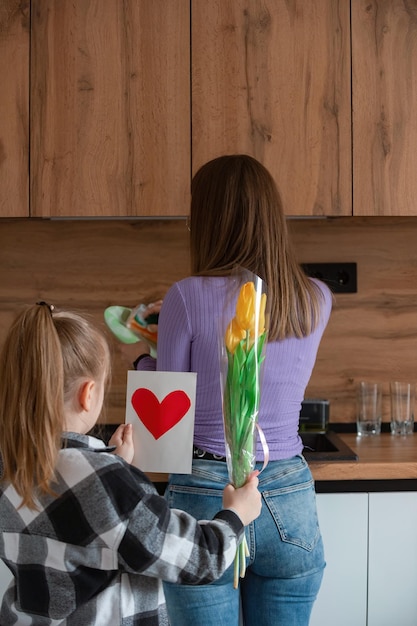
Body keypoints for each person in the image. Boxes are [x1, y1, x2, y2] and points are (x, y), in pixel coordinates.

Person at [129, 154, 333, 625]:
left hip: (205, 493)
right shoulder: (316, 299)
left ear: (208, 221)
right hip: (288, 494)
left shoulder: (185, 295)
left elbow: (167, 409)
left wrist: (146, 354)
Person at [0, 302, 262, 625]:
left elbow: (73, 520)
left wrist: (112, 465)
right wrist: (236, 515)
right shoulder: (107, 483)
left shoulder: (10, 466)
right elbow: (200, 558)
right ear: (88, 394)